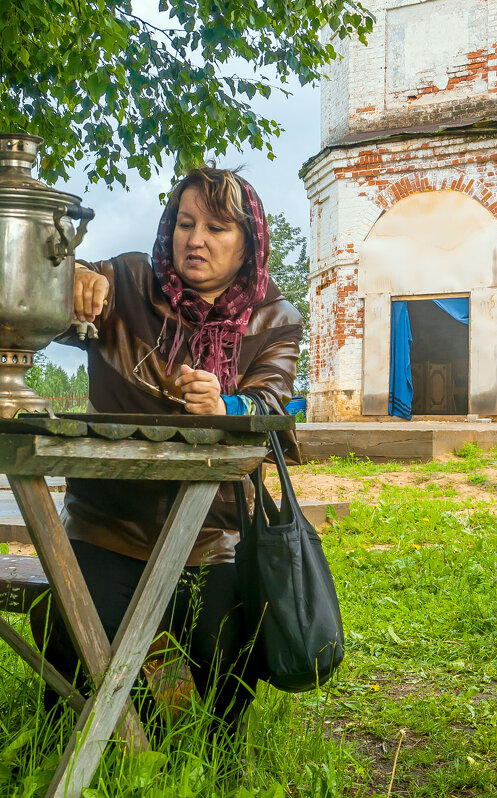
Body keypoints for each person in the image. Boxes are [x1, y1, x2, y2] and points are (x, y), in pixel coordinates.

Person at [31, 166, 302, 734]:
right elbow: (42, 305)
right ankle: (107, 745)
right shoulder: (128, 281)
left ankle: (209, 763)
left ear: (248, 243)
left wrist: (227, 405)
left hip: (212, 533)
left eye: (216, 227)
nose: (194, 239)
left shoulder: (274, 318)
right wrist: (72, 280)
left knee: (233, 665)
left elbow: (273, 408)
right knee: (65, 642)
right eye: (184, 223)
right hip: (108, 524)